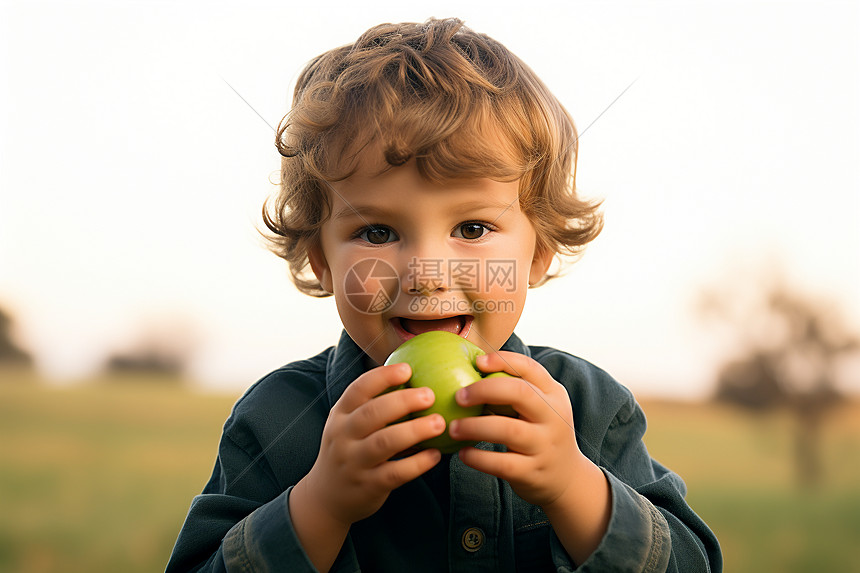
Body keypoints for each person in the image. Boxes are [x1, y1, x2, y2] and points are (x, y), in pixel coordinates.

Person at [166, 17, 722, 572]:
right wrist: (320, 505)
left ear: (537, 254)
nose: (427, 274)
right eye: (378, 233)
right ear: (321, 259)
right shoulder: (277, 418)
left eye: (473, 229)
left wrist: (574, 487)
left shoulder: (589, 409)